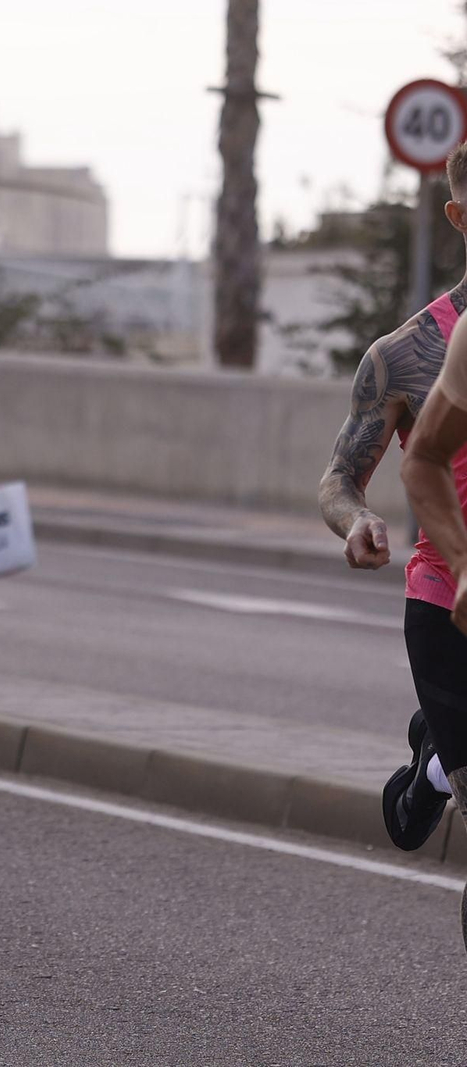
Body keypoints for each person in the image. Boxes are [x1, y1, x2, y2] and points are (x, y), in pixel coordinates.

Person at [319, 142, 467, 864]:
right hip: (448, 600)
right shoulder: (406, 352)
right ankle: (438, 764)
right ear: (458, 215)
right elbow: (340, 480)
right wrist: (360, 520)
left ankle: (436, 756)